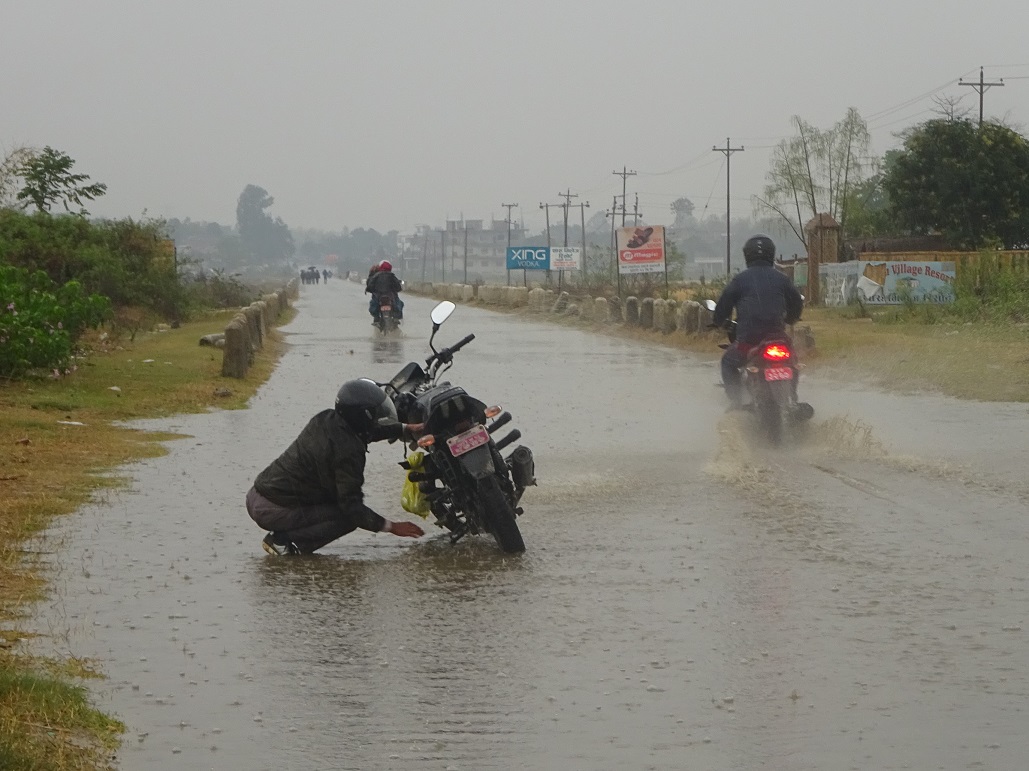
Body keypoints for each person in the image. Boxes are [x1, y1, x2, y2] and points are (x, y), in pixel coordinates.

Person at [245, 379, 425, 555]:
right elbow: (352, 507)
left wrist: (404, 428)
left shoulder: (327, 418)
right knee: (348, 517)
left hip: (256, 496)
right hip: (273, 509)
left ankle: (287, 538)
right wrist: (392, 527)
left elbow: (364, 432)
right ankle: (284, 542)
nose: (378, 420)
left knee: (336, 501)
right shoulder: (349, 452)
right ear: (363, 416)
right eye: (376, 416)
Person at [712, 234, 804, 409]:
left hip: (749, 342)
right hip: (778, 340)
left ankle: (736, 402)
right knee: (793, 360)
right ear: (771, 254)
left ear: (747, 255)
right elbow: (797, 303)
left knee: (728, 363)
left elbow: (721, 310)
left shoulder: (739, 281)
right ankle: (793, 397)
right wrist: (791, 318)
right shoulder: (782, 279)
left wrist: (720, 321)